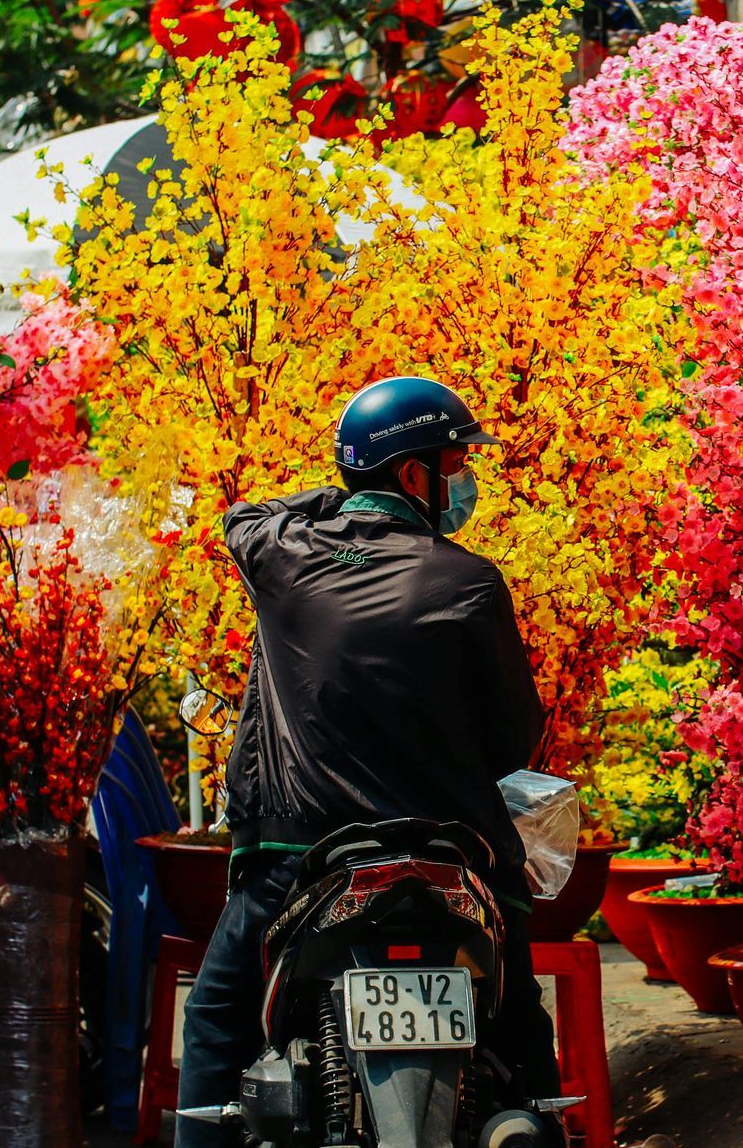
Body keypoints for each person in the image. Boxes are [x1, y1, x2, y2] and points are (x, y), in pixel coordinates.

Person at [176, 376, 559, 1147]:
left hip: (299, 855)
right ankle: (535, 1124)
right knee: (518, 1022)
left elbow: (240, 515)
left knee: (217, 1013)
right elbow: (514, 739)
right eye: (454, 462)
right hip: (454, 856)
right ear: (414, 474)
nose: (464, 482)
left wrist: (348, 489)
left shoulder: (281, 558)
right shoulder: (471, 580)